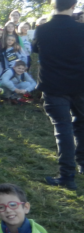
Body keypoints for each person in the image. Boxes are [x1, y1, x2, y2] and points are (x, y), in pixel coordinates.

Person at [33, 0, 84, 189]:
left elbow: (35, 49)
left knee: (63, 129)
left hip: (53, 86)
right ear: (74, 5)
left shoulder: (43, 29)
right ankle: (82, 164)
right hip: (80, 85)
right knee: (81, 125)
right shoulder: (81, 30)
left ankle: (67, 176)